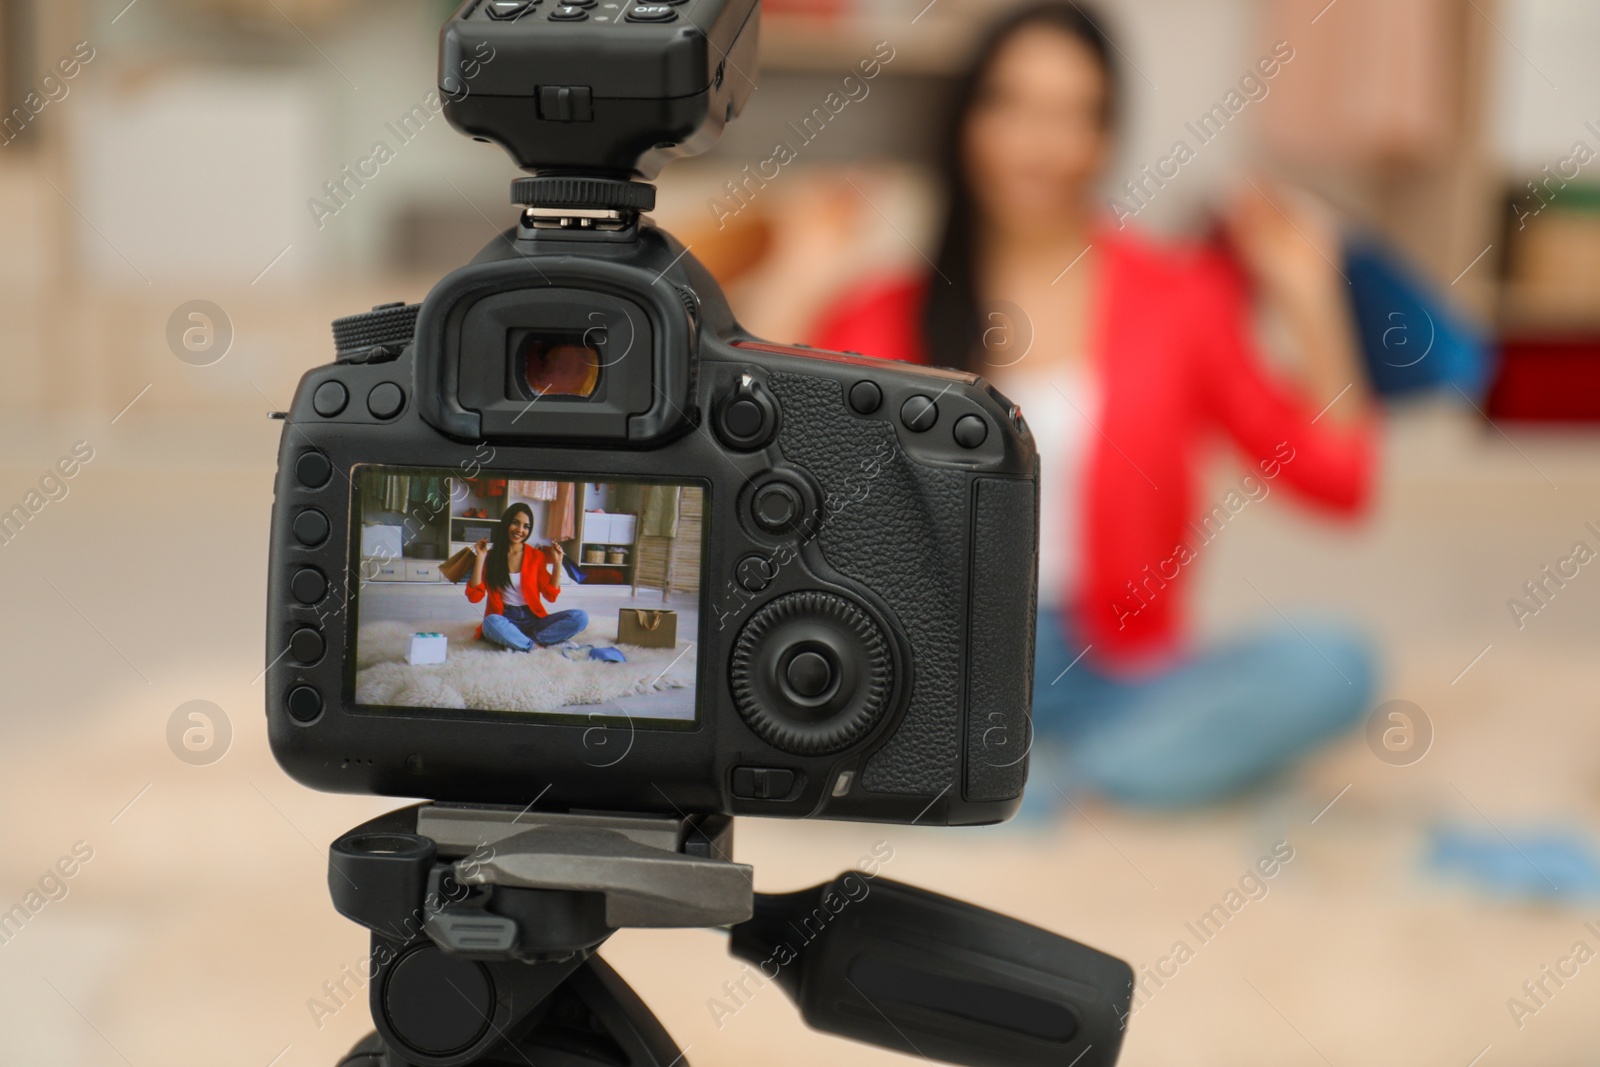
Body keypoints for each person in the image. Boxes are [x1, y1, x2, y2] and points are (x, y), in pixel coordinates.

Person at [810, 2, 1380, 809]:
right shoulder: (885, 311)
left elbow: (1342, 483)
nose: (1042, 144)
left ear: (1107, 137)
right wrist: (797, 279)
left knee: (1332, 663)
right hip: (938, 679)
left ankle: (1061, 788)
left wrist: (1314, 305)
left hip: (1122, 673)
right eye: (1013, 106)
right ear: (967, 122)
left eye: (1074, 114)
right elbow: (771, 480)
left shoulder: (1180, 298)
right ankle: (1065, 783)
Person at [468, 504, 589, 651]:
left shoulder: (536, 556)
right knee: (490, 623)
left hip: (533, 620)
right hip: (504, 618)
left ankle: (520, 641)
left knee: (580, 617)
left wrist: (558, 563)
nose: (520, 530)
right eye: (515, 523)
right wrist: (480, 558)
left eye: (526, 526)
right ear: (506, 522)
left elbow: (550, 596)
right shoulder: (492, 557)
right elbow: (474, 596)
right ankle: (532, 645)